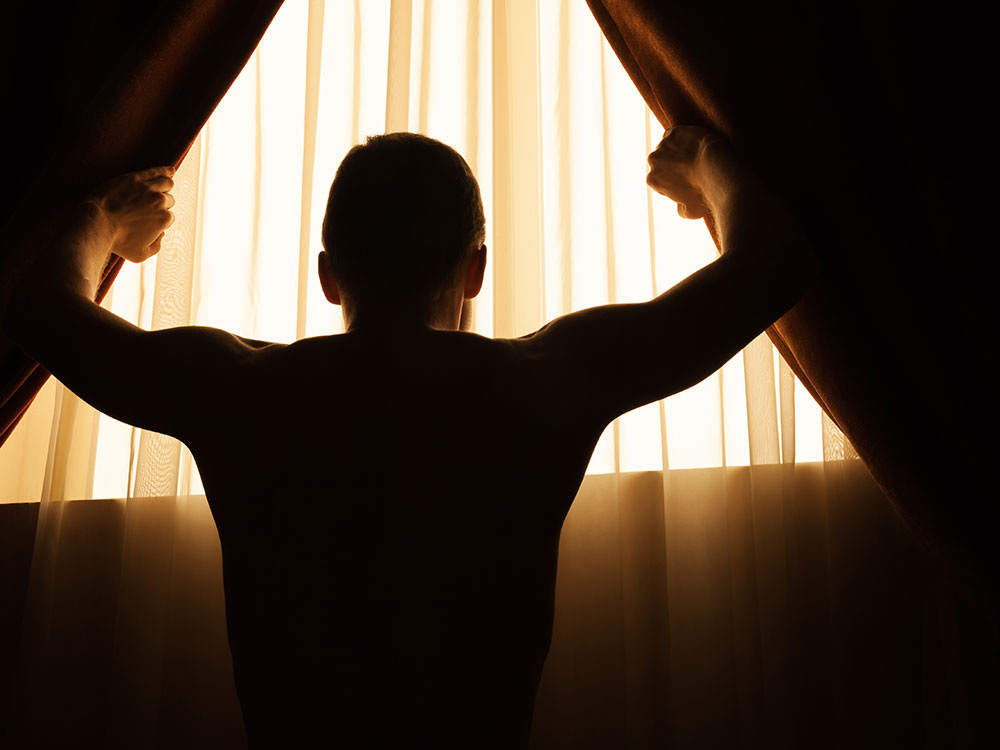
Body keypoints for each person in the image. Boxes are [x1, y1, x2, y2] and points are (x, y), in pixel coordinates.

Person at [2, 127, 815, 748]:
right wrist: (703, 159)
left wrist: (104, 220)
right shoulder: (548, 382)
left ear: (328, 276)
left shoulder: (236, 390)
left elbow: (42, 310)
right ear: (476, 270)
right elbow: (773, 261)